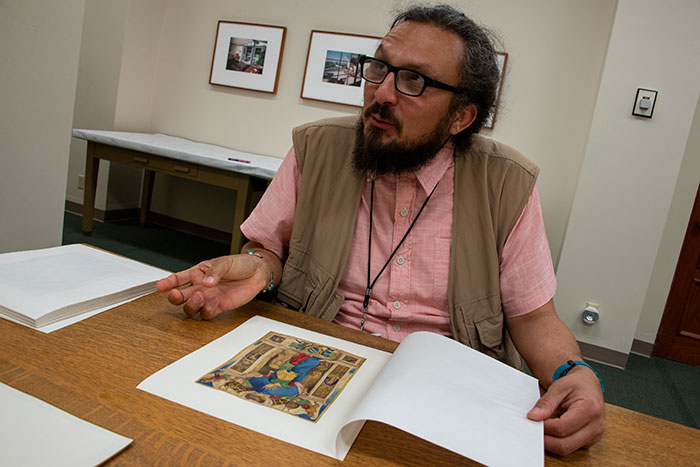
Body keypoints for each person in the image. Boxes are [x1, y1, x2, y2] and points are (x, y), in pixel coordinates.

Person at [157, 4, 605, 456]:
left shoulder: (506, 184)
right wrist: (258, 268)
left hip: (445, 397)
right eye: (380, 68)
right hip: (313, 370)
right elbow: (267, 251)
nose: (383, 93)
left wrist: (575, 374)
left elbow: (534, 317)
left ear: (461, 117)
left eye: (414, 80)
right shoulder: (315, 149)